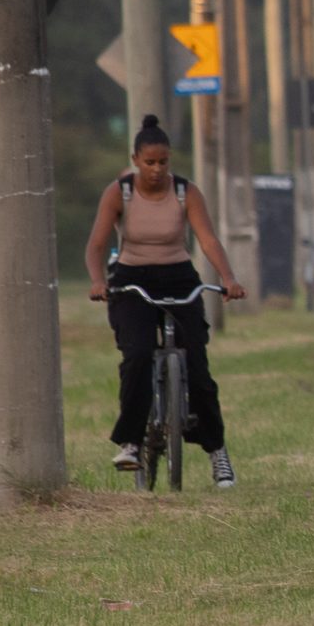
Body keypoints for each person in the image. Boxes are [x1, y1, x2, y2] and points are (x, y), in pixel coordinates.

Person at [83, 115, 246, 487]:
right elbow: (95, 245)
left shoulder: (186, 192)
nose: (157, 170)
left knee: (199, 368)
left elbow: (207, 240)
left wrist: (228, 278)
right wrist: (97, 281)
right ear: (136, 159)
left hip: (177, 276)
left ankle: (217, 451)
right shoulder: (119, 192)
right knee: (138, 355)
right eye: (150, 162)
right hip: (131, 281)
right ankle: (131, 442)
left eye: (163, 162)